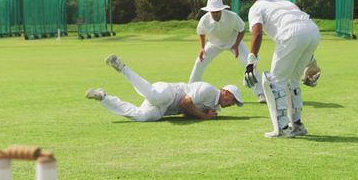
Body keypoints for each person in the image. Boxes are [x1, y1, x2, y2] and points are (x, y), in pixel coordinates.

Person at [240, 0, 320, 138]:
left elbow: (257, 33)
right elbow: (302, 29)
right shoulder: (285, 3)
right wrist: (310, 59)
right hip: (313, 32)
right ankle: (297, 125)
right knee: (292, 81)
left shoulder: (256, 7)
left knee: (273, 82)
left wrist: (251, 61)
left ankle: (282, 128)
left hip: (291, 35)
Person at [85, 54, 243, 122]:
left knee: (142, 117)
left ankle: (103, 97)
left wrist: (201, 114)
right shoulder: (209, 90)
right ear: (225, 92)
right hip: (169, 93)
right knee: (154, 96)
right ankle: (121, 67)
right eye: (233, 100)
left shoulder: (214, 107)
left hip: (166, 108)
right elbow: (185, 103)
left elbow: (186, 114)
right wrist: (203, 117)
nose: (232, 104)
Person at [188, 0, 265, 103]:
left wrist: (236, 45)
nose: (215, 14)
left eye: (217, 11)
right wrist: (202, 48)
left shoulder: (232, 17)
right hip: (214, 44)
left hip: (234, 42)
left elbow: (241, 30)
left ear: (222, 10)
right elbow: (201, 32)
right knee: (198, 63)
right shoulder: (205, 19)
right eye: (212, 12)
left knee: (249, 64)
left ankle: (261, 94)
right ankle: (190, 92)